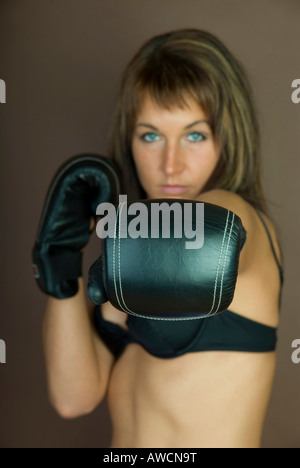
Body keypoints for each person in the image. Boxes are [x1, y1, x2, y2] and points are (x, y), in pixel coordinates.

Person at [34, 29, 284, 448]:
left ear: (228, 137)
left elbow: (218, 231)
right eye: (150, 135)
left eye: (194, 135)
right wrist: (61, 262)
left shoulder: (240, 222)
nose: (171, 165)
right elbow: (72, 398)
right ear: (129, 142)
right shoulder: (129, 258)